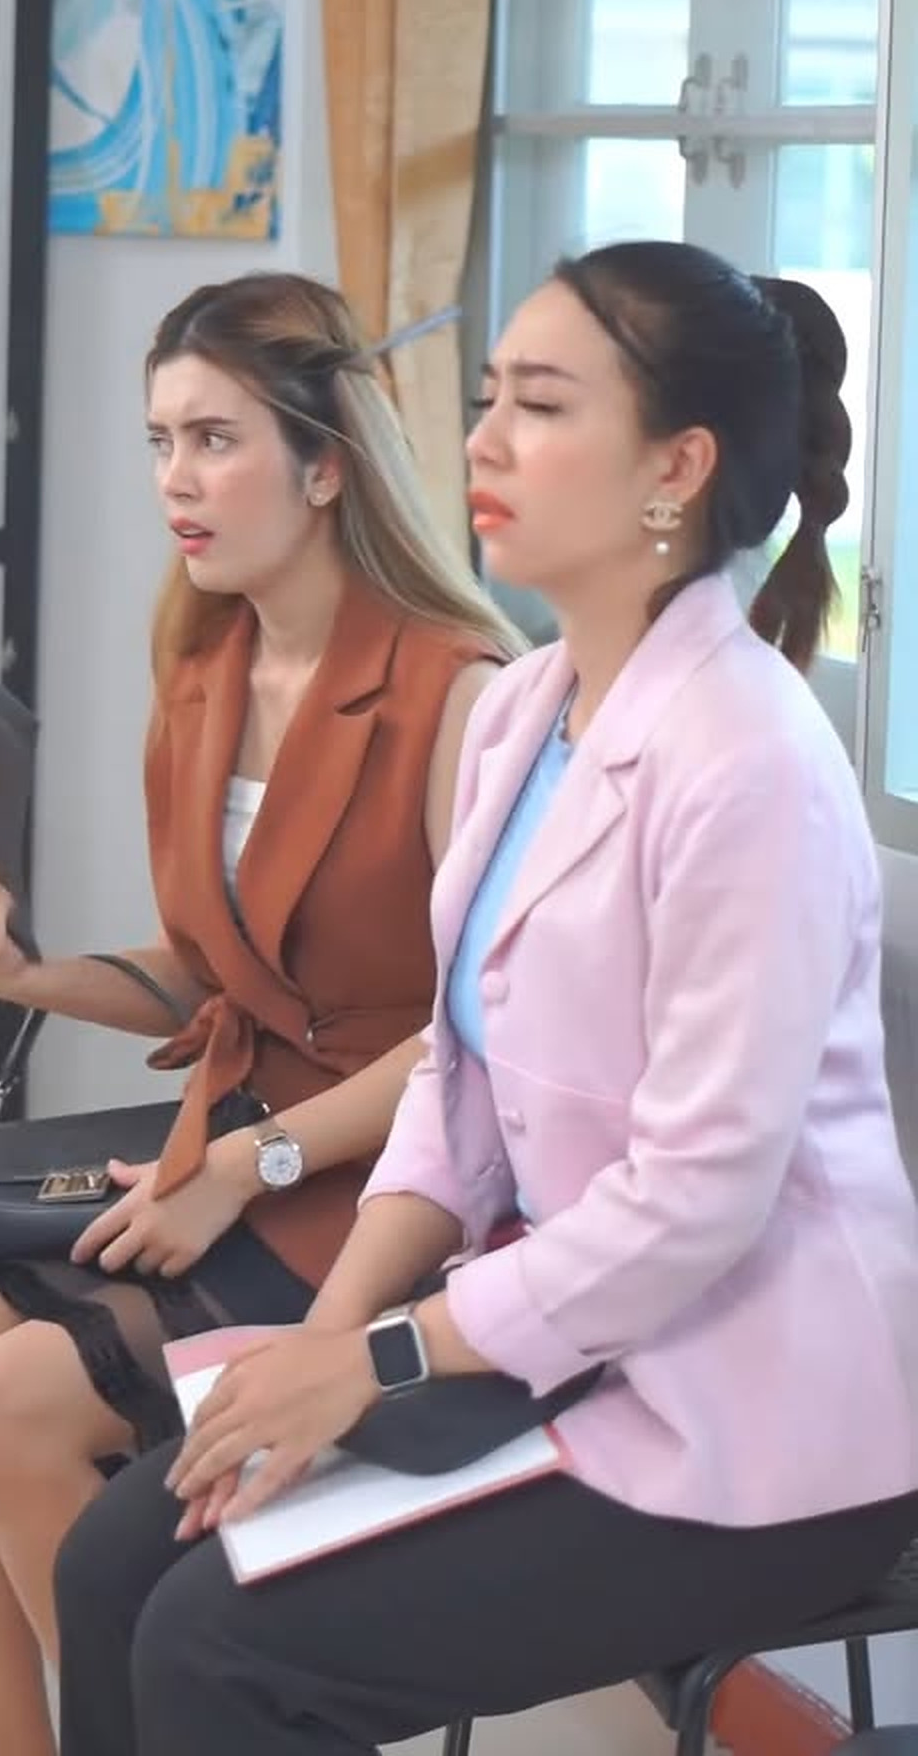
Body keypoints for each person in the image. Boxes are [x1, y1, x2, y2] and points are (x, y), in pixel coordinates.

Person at [53, 241, 918, 1756]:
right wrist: (316, 1348)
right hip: (570, 1342)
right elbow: (458, 1089)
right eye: (490, 397)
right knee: (116, 1558)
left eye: (542, 405)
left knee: (217, 1650)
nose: (483, 441)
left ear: (676, 469)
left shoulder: (752, 763)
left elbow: (696, 1205)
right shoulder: (523, 711)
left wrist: (378, 1361)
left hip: (757, 1424)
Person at [0, 270, 520, 1756]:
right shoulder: (204, 668)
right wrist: (24, 978)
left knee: (12, 1406)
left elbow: (479, 1033)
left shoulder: (461, 692)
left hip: (394, 1185)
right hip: (236, 1151)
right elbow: (214, 969)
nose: (175, 479)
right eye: (161, 441)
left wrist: (244, 1163)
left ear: (326, 463)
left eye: (215, 440)